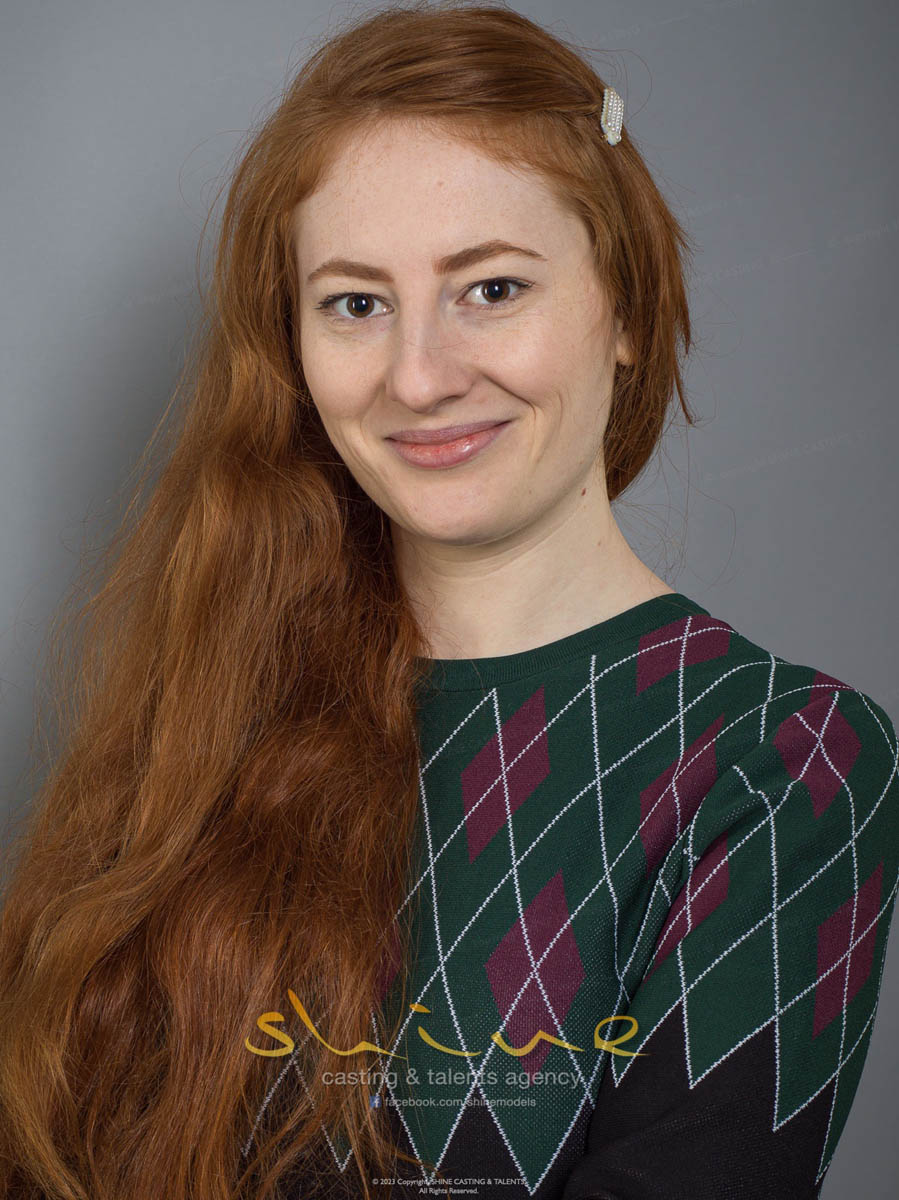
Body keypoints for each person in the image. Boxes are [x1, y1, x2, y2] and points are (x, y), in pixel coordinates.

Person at [0, 3, 896, 1199]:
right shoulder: (208, 709)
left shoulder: (783, 762)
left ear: (625, 313)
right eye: (355, 303)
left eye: (491, 288)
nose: (417, 376)